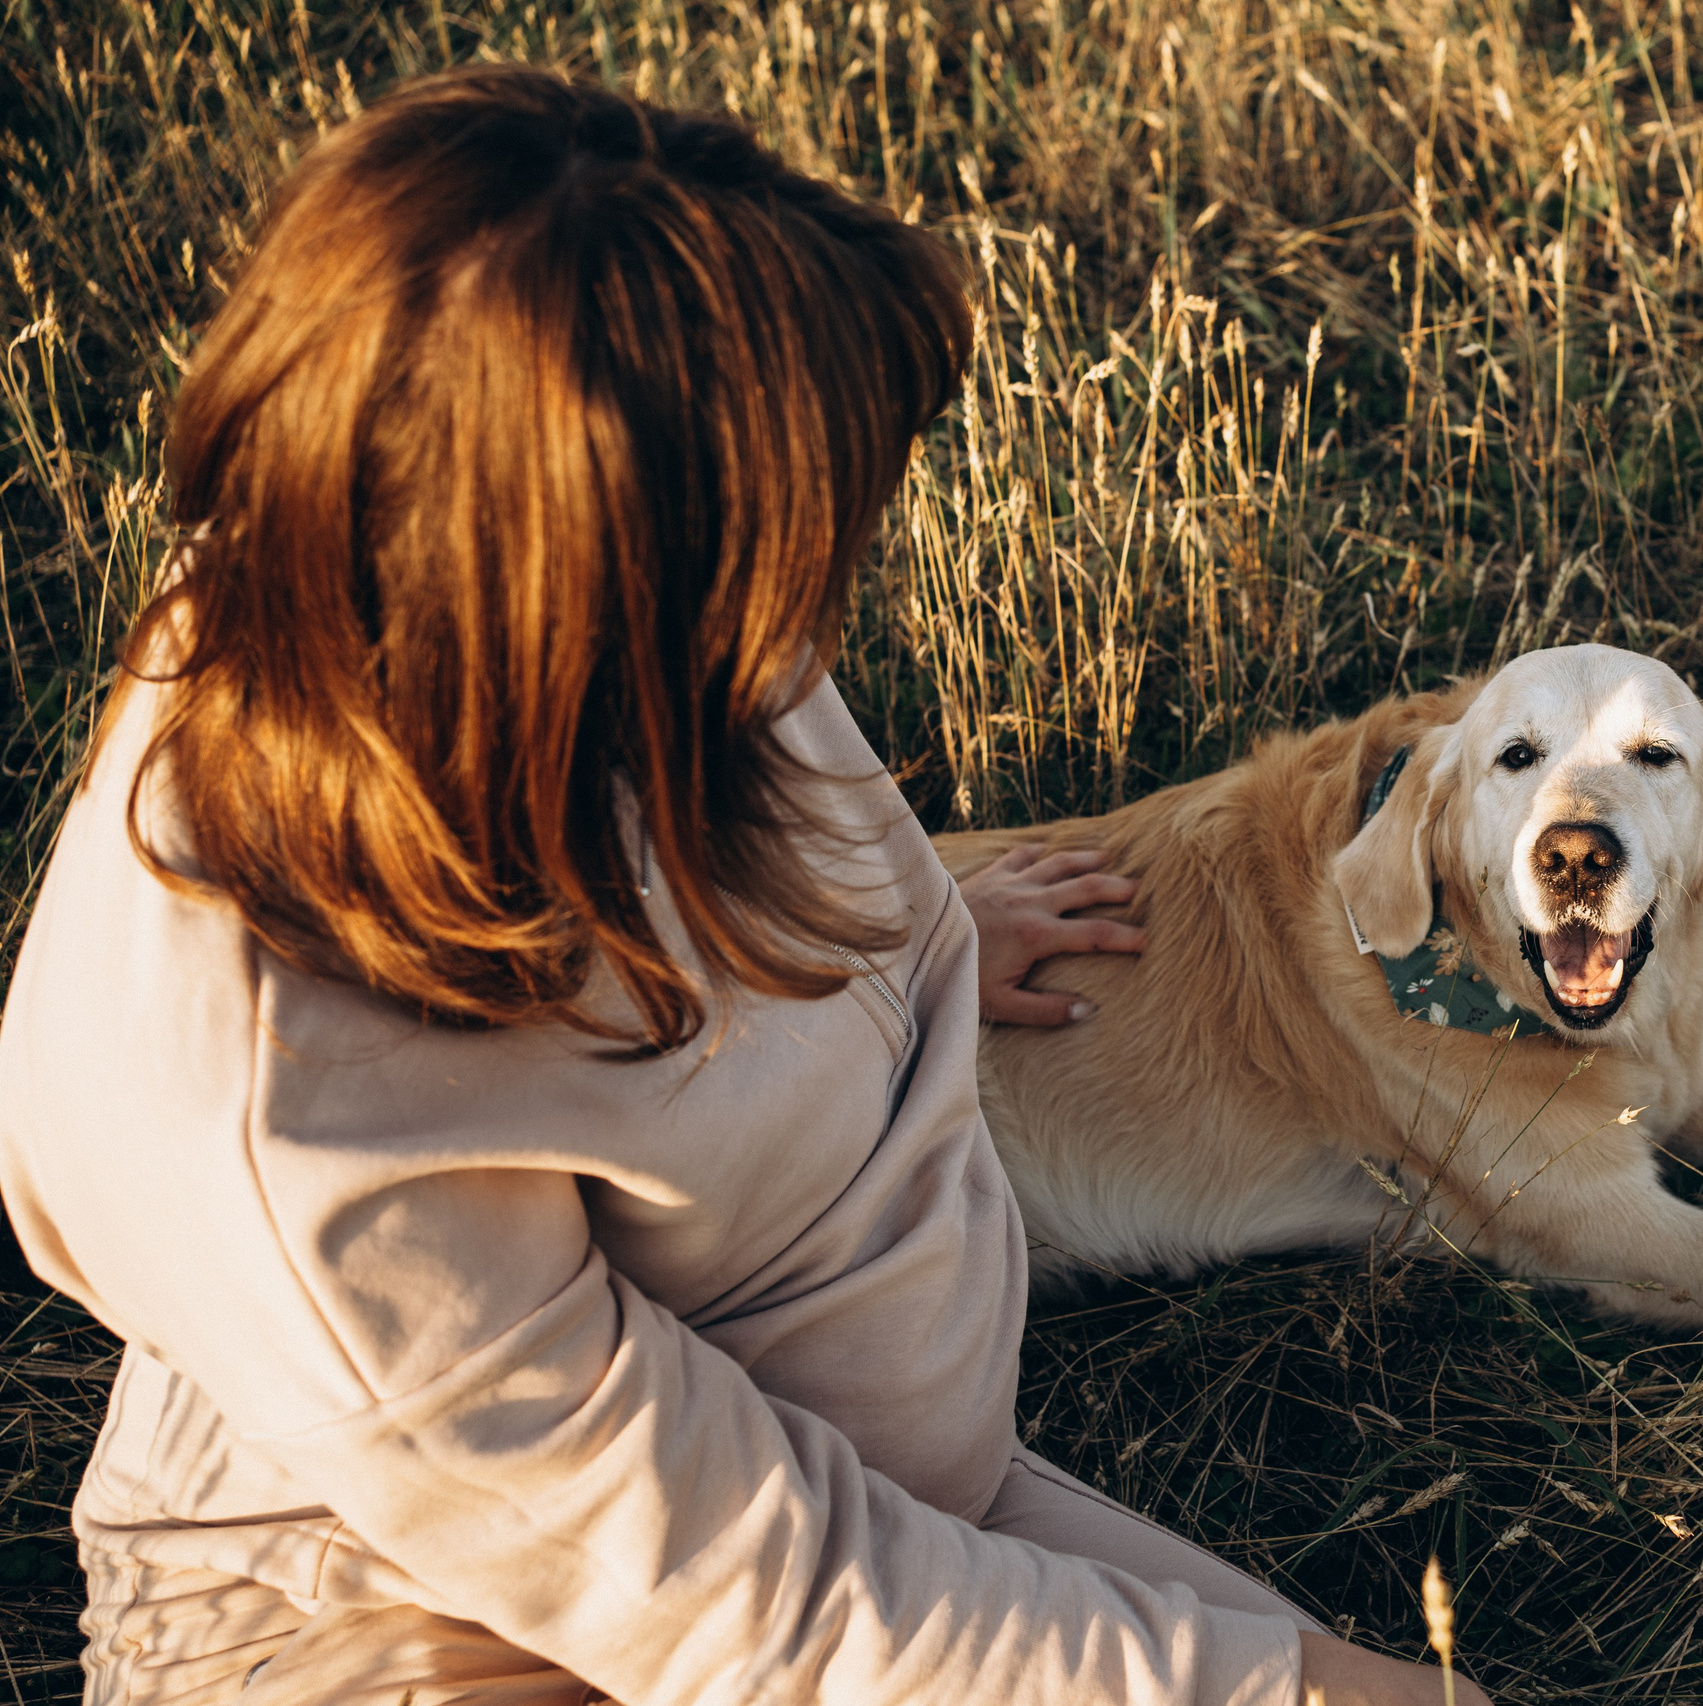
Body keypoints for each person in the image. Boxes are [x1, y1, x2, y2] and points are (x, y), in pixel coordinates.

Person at [0, 66, 1489, 1706]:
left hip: (848, 1493)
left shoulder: (453, 579)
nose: (825, 613)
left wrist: (904, 927)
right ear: (585, 605)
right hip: (426, 1637)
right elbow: (775, 1610)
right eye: (787, 563)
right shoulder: (291, 1124)